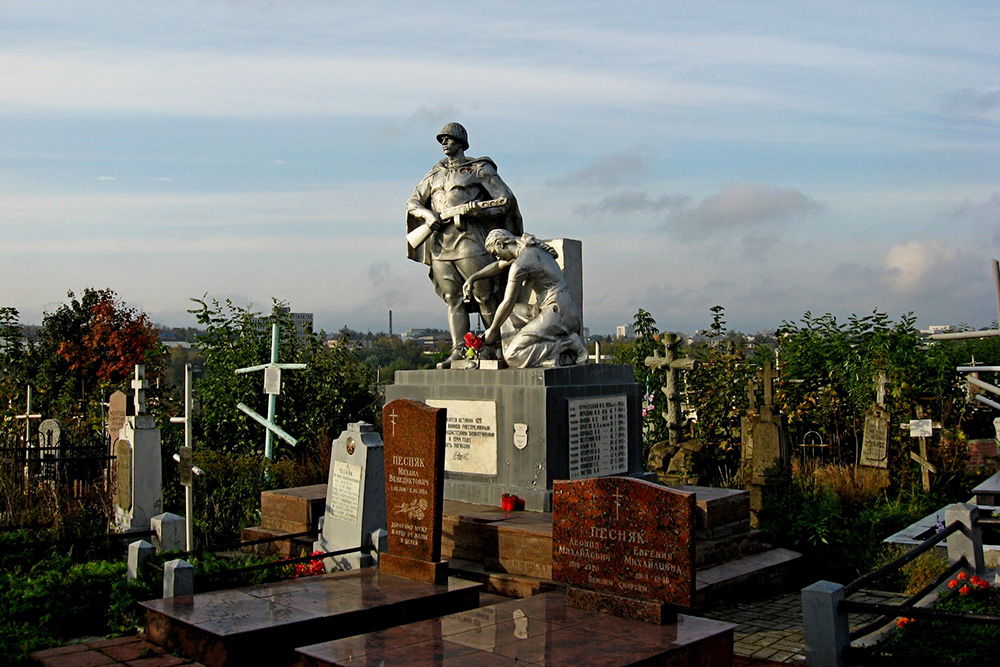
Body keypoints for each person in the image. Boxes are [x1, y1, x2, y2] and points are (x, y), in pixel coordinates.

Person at [406, 123, 522, 367]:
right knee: (453, 299)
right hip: (440, 246)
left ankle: (494, 348)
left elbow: (505, 201)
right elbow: (413, 202)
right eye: (442, 140)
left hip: (470, 242)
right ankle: (459, 351)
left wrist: (475, 213)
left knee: (485, 296)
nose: (444, 143)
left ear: (461, 143)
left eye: (449, 139)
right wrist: (428, 216)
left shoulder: (478, 170)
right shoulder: (434, 175)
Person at [462, 229, 588, 368]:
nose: (497, 257)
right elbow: (498, 266)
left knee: (513, 356)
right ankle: (542, 355)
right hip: (555, 307)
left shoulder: (521, 264)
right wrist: (473, 278)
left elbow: (508, 302)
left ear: (501, 244)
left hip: (558, 313)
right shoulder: (529, 249)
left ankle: (567, 344)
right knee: (509, 315)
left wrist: (492, 330)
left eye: (495, 253)